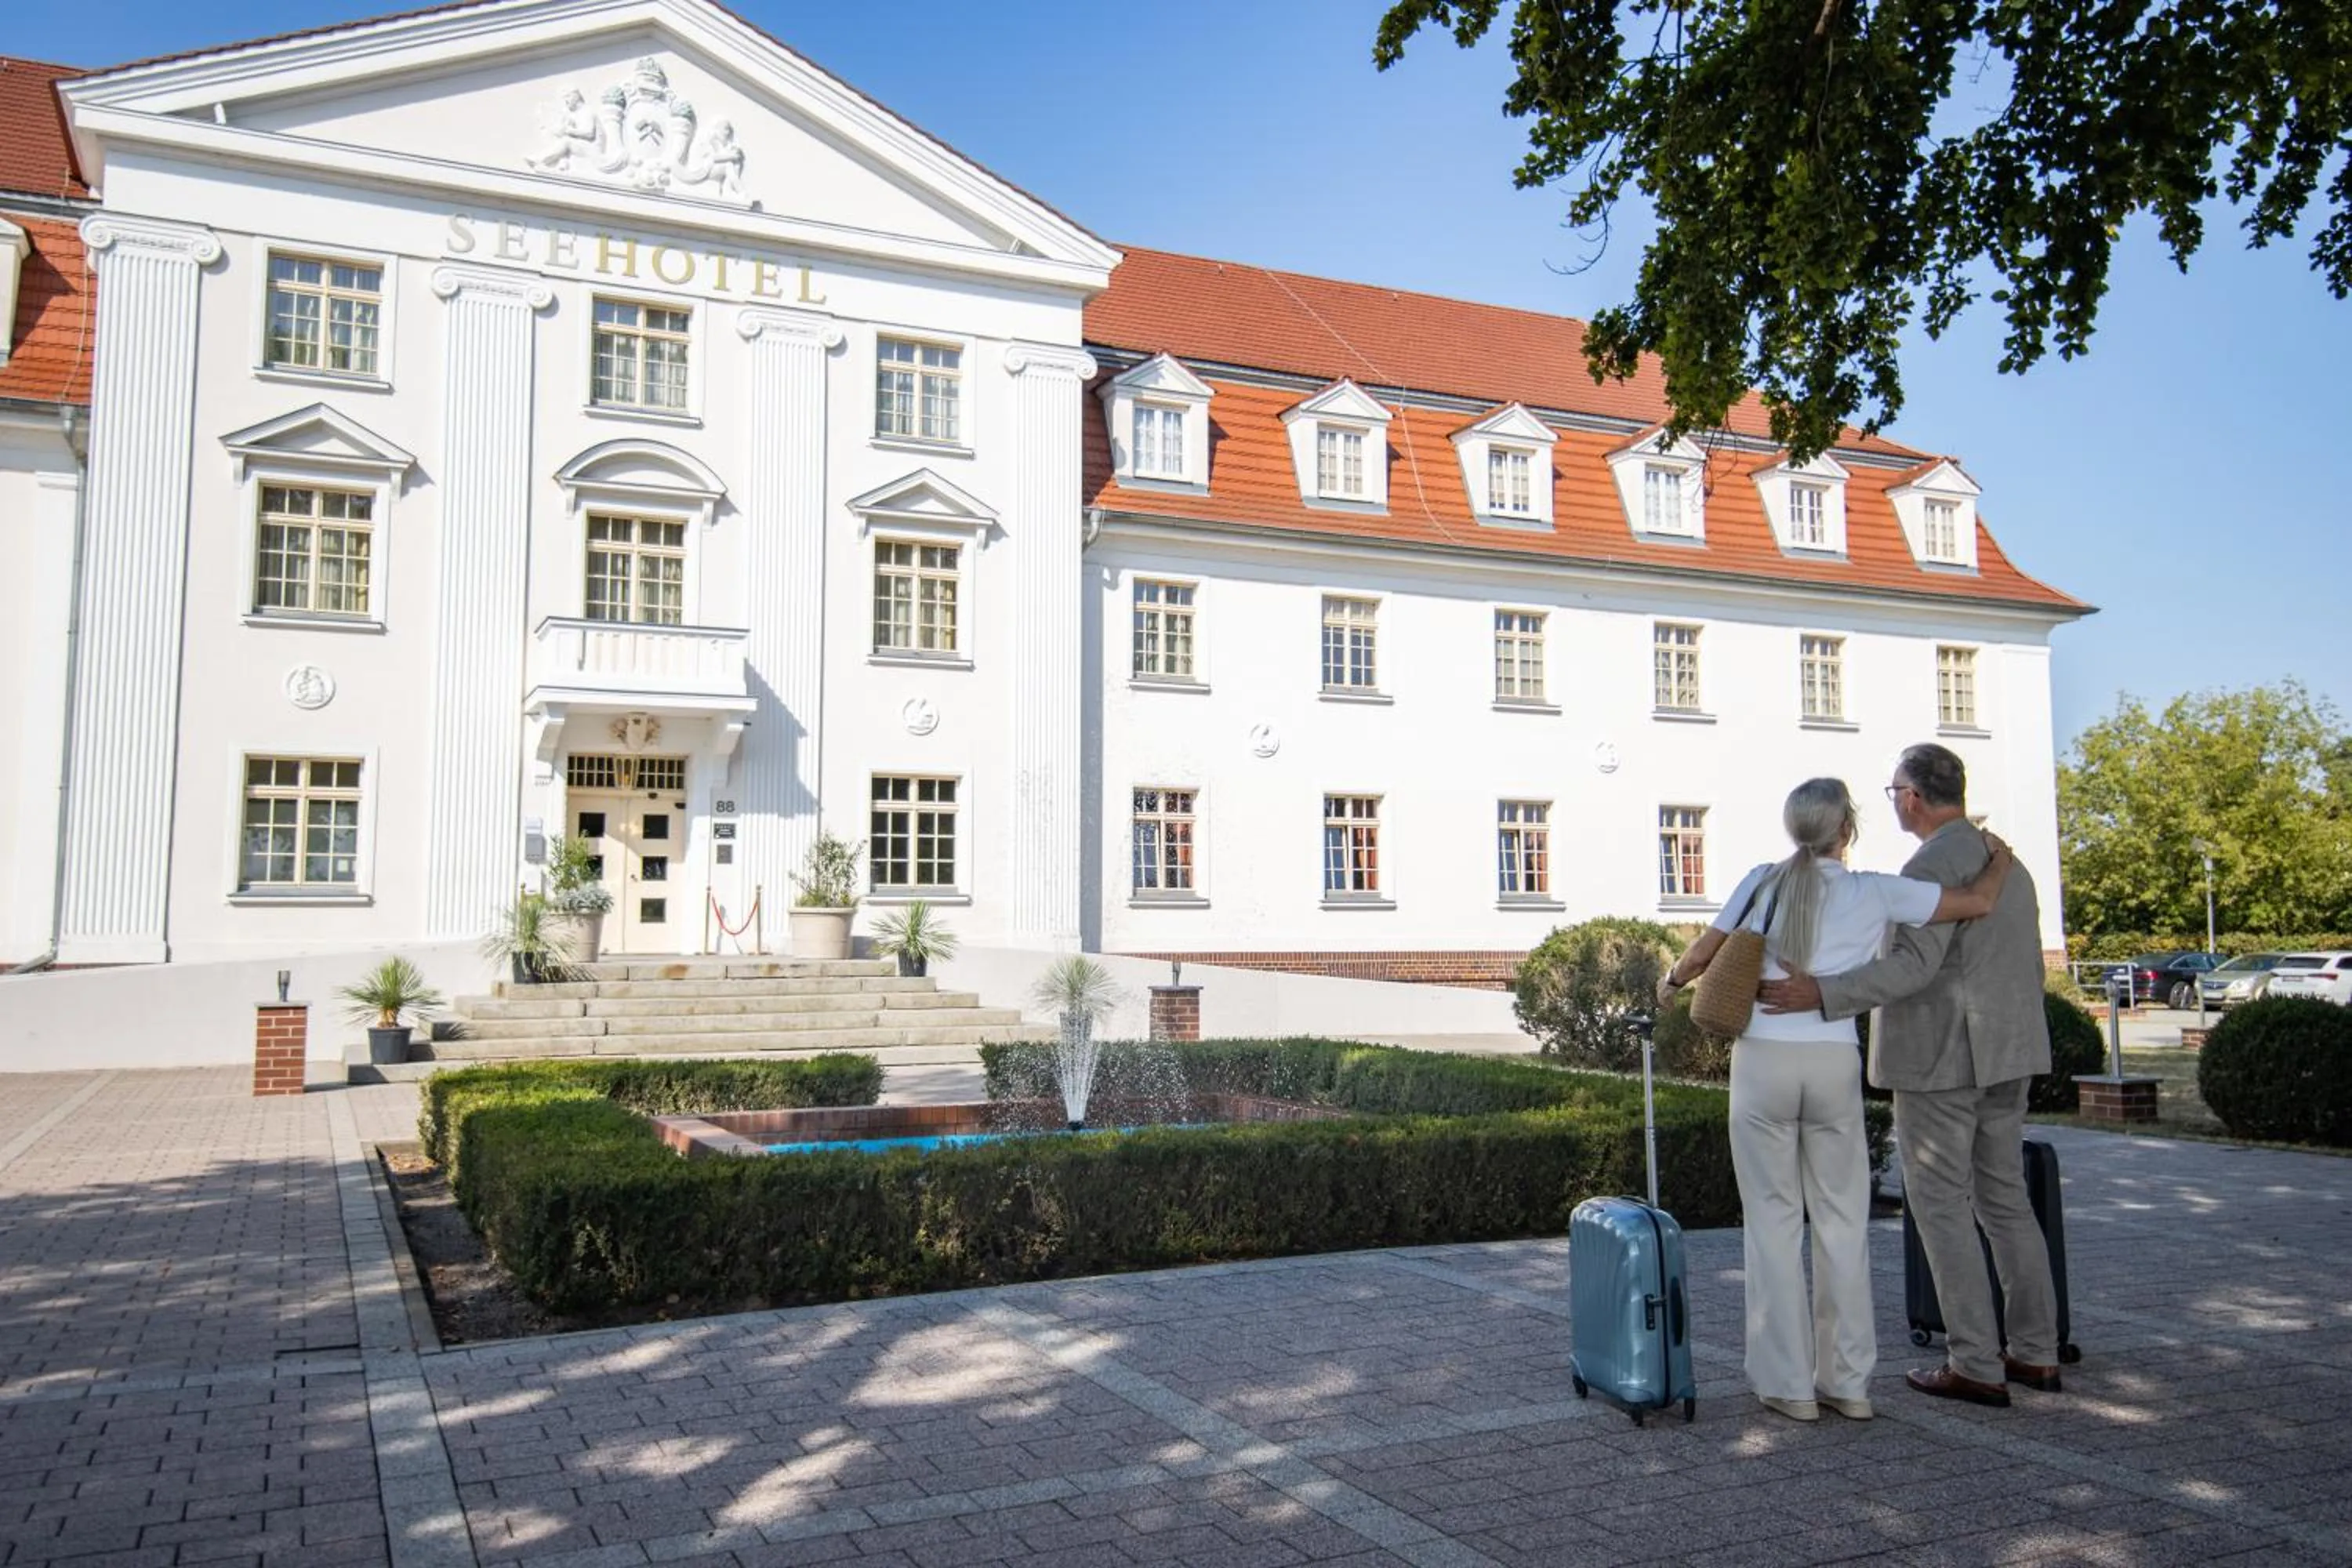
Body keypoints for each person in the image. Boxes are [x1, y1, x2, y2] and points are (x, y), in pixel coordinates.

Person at [1657, 778, 2013, 1424]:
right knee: (1843, 1223)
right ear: (1846, 829)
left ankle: (1787, 1385)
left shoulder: (1760, 880)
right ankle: (1847, 1384)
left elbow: (1703, 955)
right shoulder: (1876, 890)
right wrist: (2000, 861)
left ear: (1794, 827)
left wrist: (1669, 980)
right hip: (1831, 1062)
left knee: (1771, 1221)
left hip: (1762, 1060)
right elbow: (1978, 904)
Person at [1758, 743, 2060, 1410]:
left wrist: (1825, 993)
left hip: (1944, 1060)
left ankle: (1976, 1363)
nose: (1891, 799)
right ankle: (2035, 1354)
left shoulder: (1932, 866)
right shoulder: (2011, 862)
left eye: (1894, 789)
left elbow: (1912, 970)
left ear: (1914, 797)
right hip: (2011, 1055)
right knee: (2006, 1199)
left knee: (1942, 1205)